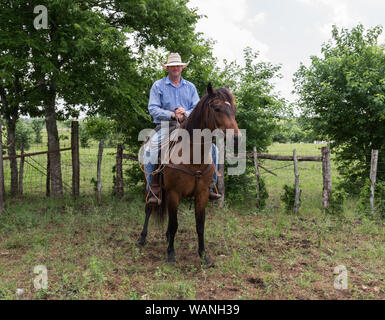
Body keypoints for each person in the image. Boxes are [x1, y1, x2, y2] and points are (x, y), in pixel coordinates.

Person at [145, 52, 221, 205]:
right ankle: (153, 190)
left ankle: (210, 185)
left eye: (178, 66)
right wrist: (172, 115)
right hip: (166, 125)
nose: (176, 68)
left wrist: (185, 112)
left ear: (182, 67)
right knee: (150, 151)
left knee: (213, 149)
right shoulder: (158, 86)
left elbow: (198, 108)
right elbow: (153, 108)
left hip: (189, 126)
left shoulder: (190, 87)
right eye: (172, 66)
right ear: (167, 68)